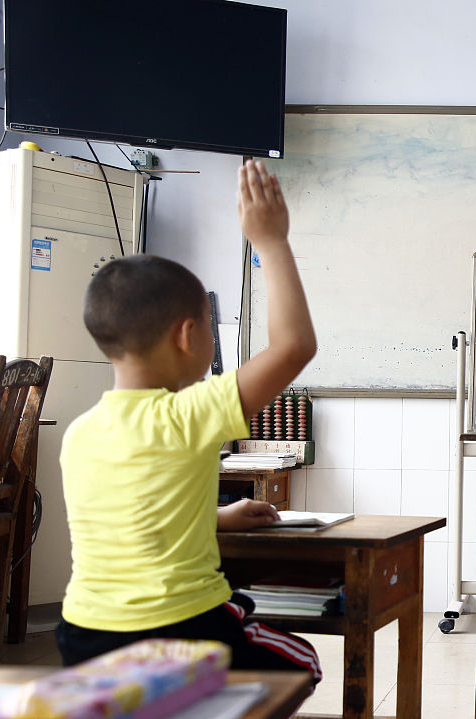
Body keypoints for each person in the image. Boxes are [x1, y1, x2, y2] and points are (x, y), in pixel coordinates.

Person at [55, 160, 322, 687]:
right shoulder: (189, 413)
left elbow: (129, 521)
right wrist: (270, 241)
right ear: (188, 336)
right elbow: (295, 347)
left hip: (85, 638)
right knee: (302, 663)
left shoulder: (81, 432)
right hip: (182, 632)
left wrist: (215, 519)